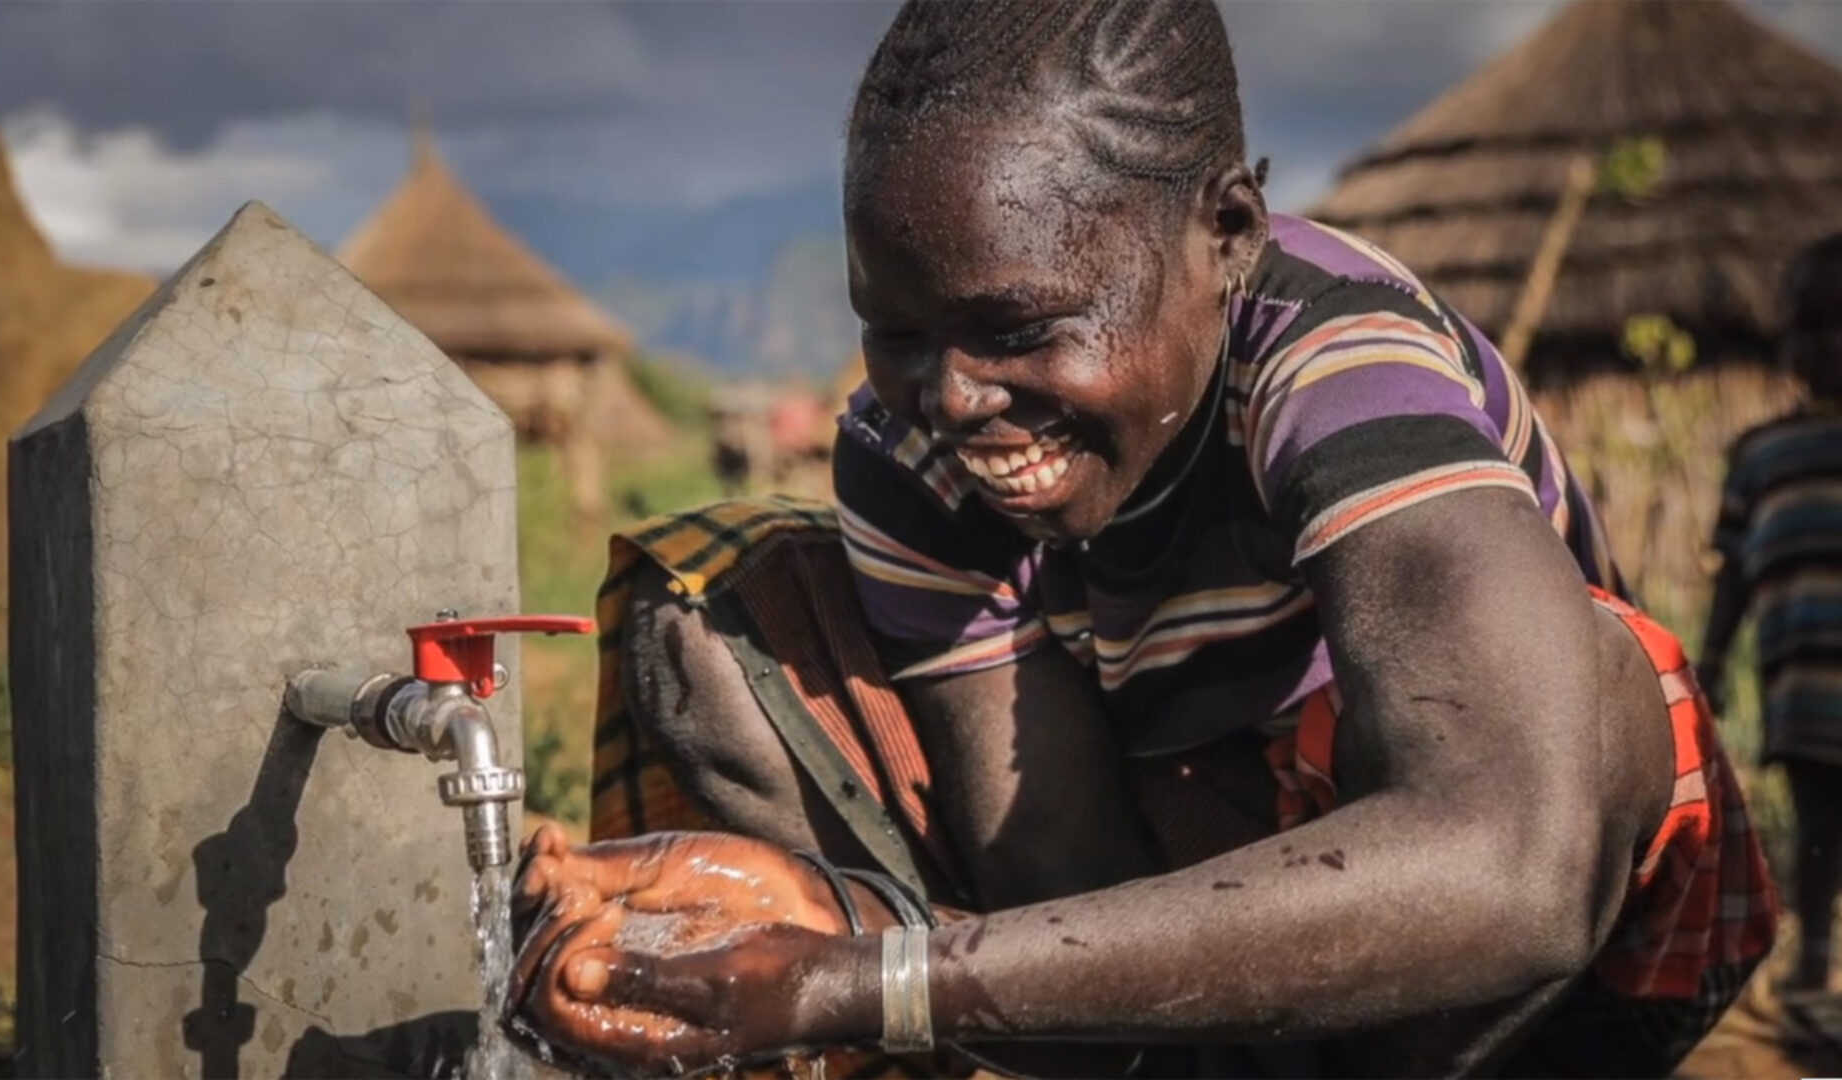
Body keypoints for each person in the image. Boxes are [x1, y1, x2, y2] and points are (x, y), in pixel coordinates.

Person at [507, 2, 1778, 1076]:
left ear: (1226, 237)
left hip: (1523, 973)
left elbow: (1515, 869)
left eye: (1019, 329)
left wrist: (869, 981)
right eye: (896, 334)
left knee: (1599, 684)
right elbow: (1057, 869)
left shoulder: (1341, 360)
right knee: (727, 605)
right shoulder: (908, 452)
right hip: (1201, 922)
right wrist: (835, 927)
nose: (954, 399)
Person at [1698, 233, 1842, 1000]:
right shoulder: (1760, 455)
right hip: (1805, 690)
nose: (1826, 346)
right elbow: (1733, 574)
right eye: (1809, 327)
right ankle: (1815, 958)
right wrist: (1712, 665)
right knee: (1818, 828)